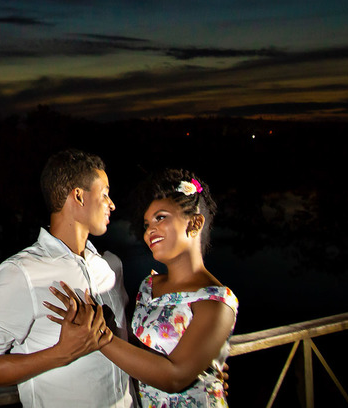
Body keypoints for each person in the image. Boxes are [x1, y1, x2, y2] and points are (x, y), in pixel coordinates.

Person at [49, 168, 238, 408]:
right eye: (147, 223)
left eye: (161, 218)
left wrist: (97, 336)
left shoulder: (216, 301)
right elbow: (137, 351)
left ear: (195, 222)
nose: (149, 230)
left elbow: (175, 377)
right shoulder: (149, 287)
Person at [0, 148, 133, 408]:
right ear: (78, 196)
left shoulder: (111, 266)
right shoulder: (20, 272)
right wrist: (61, 354)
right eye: (105, 194)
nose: (112, 204)